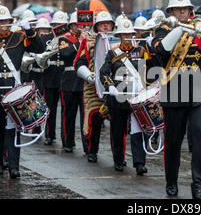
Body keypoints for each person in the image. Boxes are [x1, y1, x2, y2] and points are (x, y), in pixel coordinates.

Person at [152, 0, 201, 199]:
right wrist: (181, 29)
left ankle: (199, 186)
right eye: (177, 9)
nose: (182, 12)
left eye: (185, 8)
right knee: (173, 140)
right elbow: (161, 49)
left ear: (190, 9)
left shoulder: (199, 24)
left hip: (200, 88)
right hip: (174, 88)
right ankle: (171, 182)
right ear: (171, 11)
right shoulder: (164, 28)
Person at [0, 2, 45, 178]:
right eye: (0, 20)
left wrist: (30, 31)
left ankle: (14, 166)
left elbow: (40, 48)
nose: (4, 23)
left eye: (7, 20)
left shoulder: (19, 38)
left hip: (14, 89)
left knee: (14, 129)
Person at [99, 17, 155, 174]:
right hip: (118, 96)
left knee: (138, 129)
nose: (126, 37)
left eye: (129, 33)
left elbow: (151, 69)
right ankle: (118, 159)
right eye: (123, 34)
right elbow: (103, 71)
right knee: (118, 129)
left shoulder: (141, 51)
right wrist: (109, 85)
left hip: (137, 95)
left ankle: (139, 163)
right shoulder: (112, 52)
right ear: (118, 36)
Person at [74, 10, 115, 164]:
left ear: (112, 24)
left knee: (118, 123)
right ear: (97, 25)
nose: (105, 25)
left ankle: (118, 157)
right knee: (94, 122)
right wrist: (88, 75)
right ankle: (92, 151)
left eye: (108, 23)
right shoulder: (89, 41)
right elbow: (79, 63)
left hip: (117, 87)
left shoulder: (120, 40)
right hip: (94, 88)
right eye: (102, 23)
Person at [58, 11, 88, 153]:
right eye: (76, 24)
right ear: (71, 25)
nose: (79, 27)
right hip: (69, 80)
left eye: (81, 24)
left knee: (86, 116)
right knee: (68, 114)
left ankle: (88, 146)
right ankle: (67, 142)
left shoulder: (89, 38)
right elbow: (65, 54)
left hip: (84, 81)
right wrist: (80, 42)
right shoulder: (64, 39)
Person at [42, 8, 67, 145]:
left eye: (61, 24)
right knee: (50, 108)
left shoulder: (69, 39)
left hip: (64, 75)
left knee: (65, 110)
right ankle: (49, 134)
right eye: (56, 24)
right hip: (50, 75)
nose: (58, 27)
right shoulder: (46, 38)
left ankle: (65, 138)